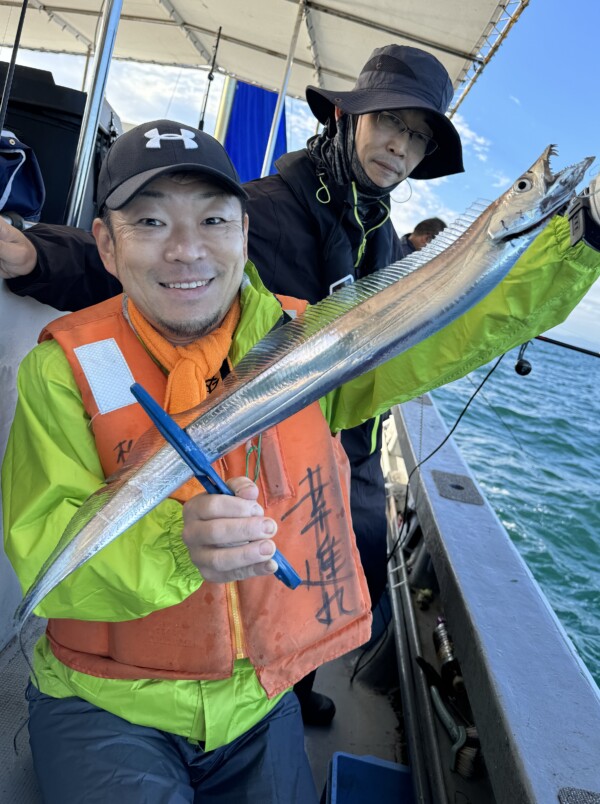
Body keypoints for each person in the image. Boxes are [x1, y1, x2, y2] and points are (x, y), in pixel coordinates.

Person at [1, 44, 599, 726]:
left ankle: (291, 685)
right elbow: (164, 259)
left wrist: (584, 239)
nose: (400, 147)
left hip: (340, 433)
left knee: (352, 569)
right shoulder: (266, 207)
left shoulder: (379, 230)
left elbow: (438, 325)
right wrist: (38, 253)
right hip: (266, 426)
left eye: (416, 137)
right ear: (346, 117)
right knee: (242, 561)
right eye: (390, 124)